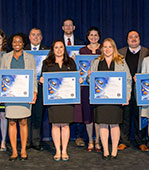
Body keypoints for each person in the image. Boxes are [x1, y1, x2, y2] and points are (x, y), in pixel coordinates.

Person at [88, 38, 132, 160]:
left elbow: (128, 80)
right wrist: (89, 77)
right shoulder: (96, 62)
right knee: (102, 124)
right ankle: (106, 151)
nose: (107, 49)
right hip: (101, 99)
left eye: (110, 47)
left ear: (114, 48)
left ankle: (114, 151)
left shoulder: (121, 61)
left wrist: (127, 95)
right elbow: (90, 82)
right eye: (105, 47)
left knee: (114, 125)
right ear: (102, 48)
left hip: (116, 99)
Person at [0, 33, 37, 161]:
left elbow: (34, 76)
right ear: (11, 43)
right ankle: (14, 151)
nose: (17, 44)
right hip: (10, 95)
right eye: (14, 42)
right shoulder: (6, 57)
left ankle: (23, 150)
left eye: (19, 42)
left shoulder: (30, 57)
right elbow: (2, 77)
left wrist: (35, 92)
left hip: (25, 94)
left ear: (23, 43)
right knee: (11, 122)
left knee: (23, 121)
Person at [40, 40, 78, 161]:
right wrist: (42, 80)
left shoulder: (71, 62)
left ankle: (64, 151)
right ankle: (57, 151)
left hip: (67, 99)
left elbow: (75, 77)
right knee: (56, 125)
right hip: (54, 99)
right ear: (53, 49)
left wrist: (78, 80)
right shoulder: (47, 63)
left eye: (61, 47)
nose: (59, 49)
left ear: (64, 49)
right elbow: (43, 77)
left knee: (66, 125)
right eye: (56, 47)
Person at [118, 30, 149, 151]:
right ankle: (123, 141)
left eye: (136, 36)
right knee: (124, 117)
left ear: (140, 39)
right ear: (127, 40)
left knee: (140, 117)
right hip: (125, 89)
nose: (134, 39)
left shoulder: (147, 52)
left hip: (141, 90)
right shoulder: (120, 52)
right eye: (131, 37)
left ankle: (141, 141)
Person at [77, 27, 102, 152]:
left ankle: (97, 141)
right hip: (85, 87)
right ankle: (90, 141)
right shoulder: (82, 50)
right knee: (87, 115)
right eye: (91, 35)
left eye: (96, 35)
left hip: (99, 88)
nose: (93, 37)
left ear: (99, 37)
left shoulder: (103, 49)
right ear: (88, 37)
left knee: (97, 114)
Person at [62, 18, 85, 147]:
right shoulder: (57, 43)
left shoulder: (81, 44)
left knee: (78, 109)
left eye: (71, 25)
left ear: (74, 27)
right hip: (62, 80)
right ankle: (62, 135)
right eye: (66, 25)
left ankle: (79, 136)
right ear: (62, 28)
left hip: (77, 80)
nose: (68, 27)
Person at [24, 28, 48, 151]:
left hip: (41, 87)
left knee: (38, 115)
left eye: (38, 35)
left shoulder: (47, 52)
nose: (36, 37)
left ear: (41, 37)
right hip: (26, 88)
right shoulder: (23, 50)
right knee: (27, 115)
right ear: (29, 36)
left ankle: (36, 141)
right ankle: (26, 141)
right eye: (33, 35)